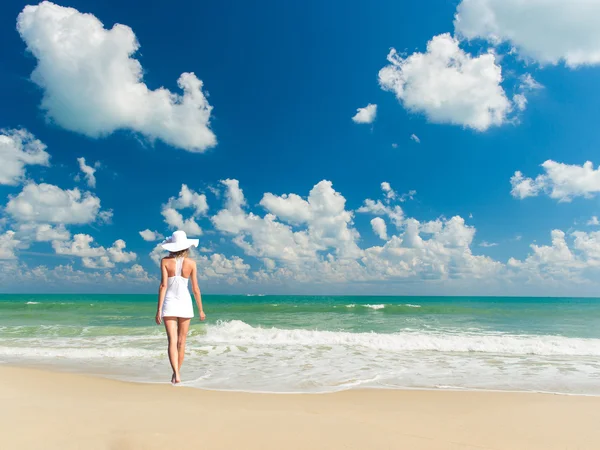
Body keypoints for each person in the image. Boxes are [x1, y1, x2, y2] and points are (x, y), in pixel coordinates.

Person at [155, 230, 206, 384]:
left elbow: (163, 285)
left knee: (172, 341)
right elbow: (195, 289)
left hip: (169, 302)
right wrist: (201, 310)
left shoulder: (165, 261)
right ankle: (177, 374)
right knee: (181, 341)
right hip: (185, 302)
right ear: (186, 247)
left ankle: (175, 373)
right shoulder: (191, 263)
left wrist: (158, 310)